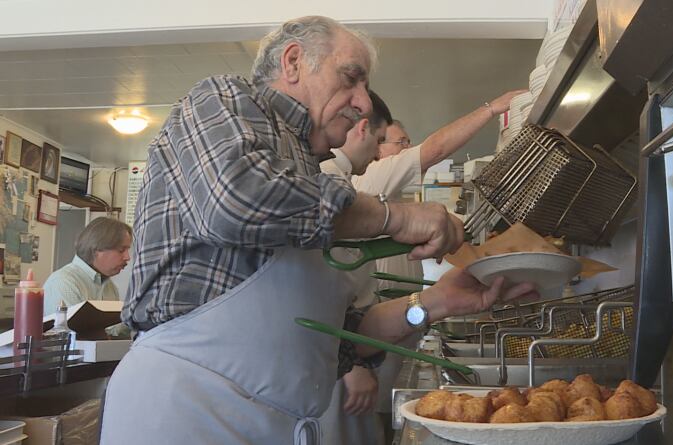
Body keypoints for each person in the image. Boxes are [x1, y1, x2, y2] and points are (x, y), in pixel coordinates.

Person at [100, 16, 536, 445]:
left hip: (269, 424)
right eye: (351, 79)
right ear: (292, 63)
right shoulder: (222, 99)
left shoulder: (312, 177)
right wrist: (396, 217)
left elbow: (344, 341)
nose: (363, 103)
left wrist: (435, 302)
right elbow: (237, 200)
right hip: (187, 413)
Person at [350, 91, 524, 434]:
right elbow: (435, 150)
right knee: (376, 423)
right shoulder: (368, 180)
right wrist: (493, 108)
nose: (397, 148)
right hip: (367, 345)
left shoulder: (383, 197)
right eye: (388, 140)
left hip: (386, 329)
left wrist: (435, 300)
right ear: (362, 131)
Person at [318, 91, 392, 445]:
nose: (379, 153)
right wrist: (356, 364)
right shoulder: (329, 181)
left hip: (349, 347)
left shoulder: (340, 180)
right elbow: (328, 288)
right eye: (379, 141)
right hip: (339, 357)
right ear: (361, 127)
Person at [43, 217, 131, 315]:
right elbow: (68, 329)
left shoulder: (110, 287)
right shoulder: (64, 283)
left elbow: (115, 329)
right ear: (97, 249)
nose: (127, 257)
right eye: (121, 250)